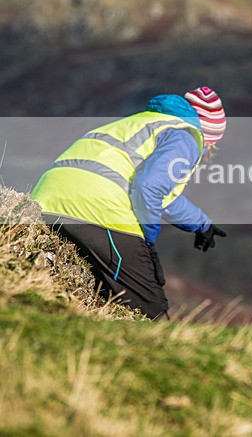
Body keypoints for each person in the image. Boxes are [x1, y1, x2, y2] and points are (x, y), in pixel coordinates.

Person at [32, 86, 228, 319]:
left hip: (47, 200)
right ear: (208, 134)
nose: (208, 151)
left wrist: (200, 224)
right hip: (97, 209)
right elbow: (149, 187)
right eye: (211, 146)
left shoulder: (142, 122)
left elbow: (162, 195)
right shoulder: (187, 135)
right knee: (151, 313)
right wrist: (148, 240)